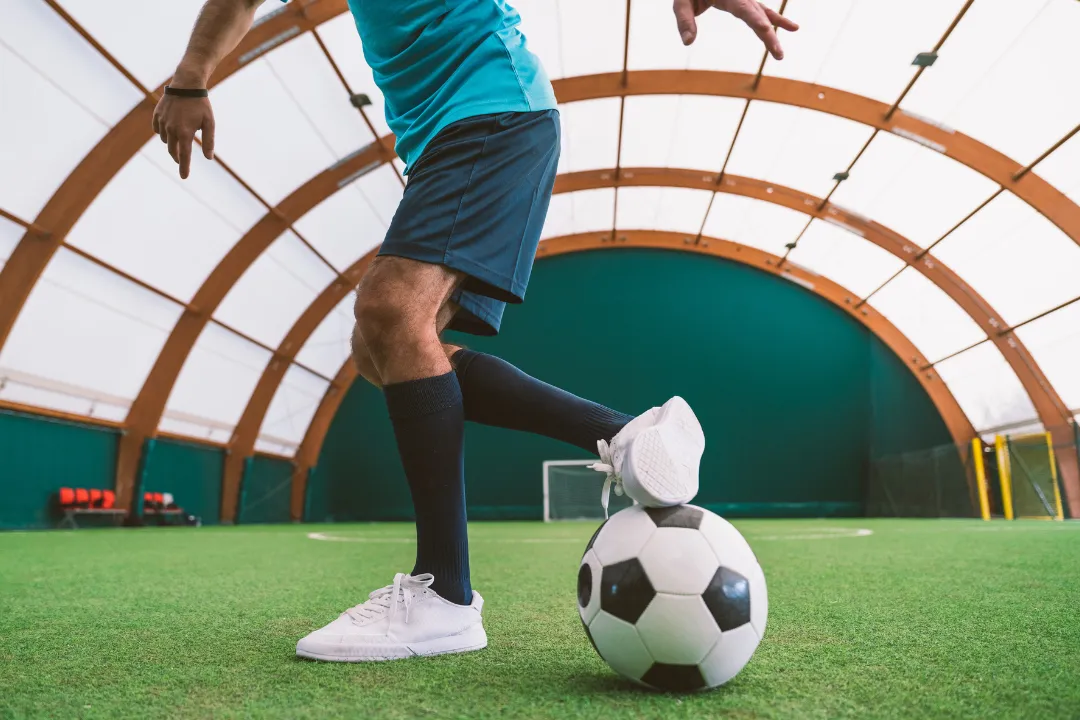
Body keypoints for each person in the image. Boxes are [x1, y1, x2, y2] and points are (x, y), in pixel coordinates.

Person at [154, 0, 798, 663]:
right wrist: (192, 76)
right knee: (382, 349)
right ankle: (626, 433)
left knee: (390, 310)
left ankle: (445, 597)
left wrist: (191, 78)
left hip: (489, 107)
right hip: (450, 135)